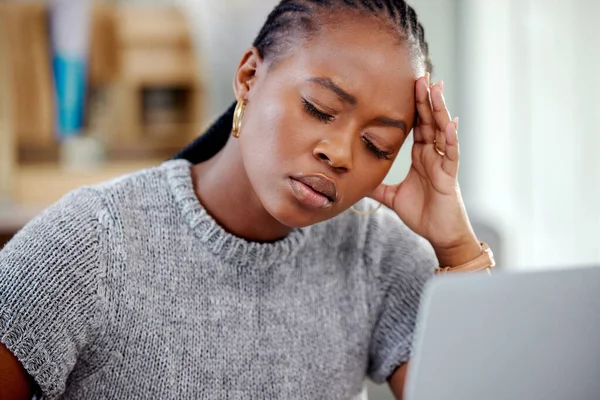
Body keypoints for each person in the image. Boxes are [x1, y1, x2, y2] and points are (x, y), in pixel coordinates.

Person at [0, 0, 495, 399]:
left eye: (376, 146)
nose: (340, 154)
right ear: (249, 78)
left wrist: (456, 246)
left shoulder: (375, 253)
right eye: (318, 109)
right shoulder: (91, 242)